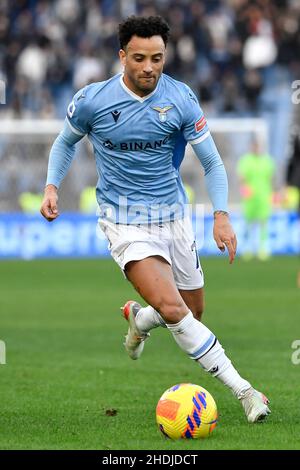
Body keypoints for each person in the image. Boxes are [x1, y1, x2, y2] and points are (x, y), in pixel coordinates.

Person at [40, 16, 270, 425]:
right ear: (122, 56)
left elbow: (213, 162)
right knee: (173, 308)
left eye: (158, 58)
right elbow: (64, 142)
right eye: (141, 58)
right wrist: (52, 186)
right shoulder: (93, 99)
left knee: (190, 312)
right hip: (123, 220)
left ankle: (138, 318)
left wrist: (221, 214)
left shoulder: (180, 99)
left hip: (174, 216)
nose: (149, 67)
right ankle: (245, 391)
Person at [237, 139, 275, 260]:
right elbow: (241, 177)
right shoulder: (246, 160)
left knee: (263, 221)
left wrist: (272, 193)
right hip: (250, 197)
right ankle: (247, 247)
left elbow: (271, 178)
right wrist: (243, 189)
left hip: (264, 196)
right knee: (248, 222)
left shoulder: (267, 161)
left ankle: (262, 247)